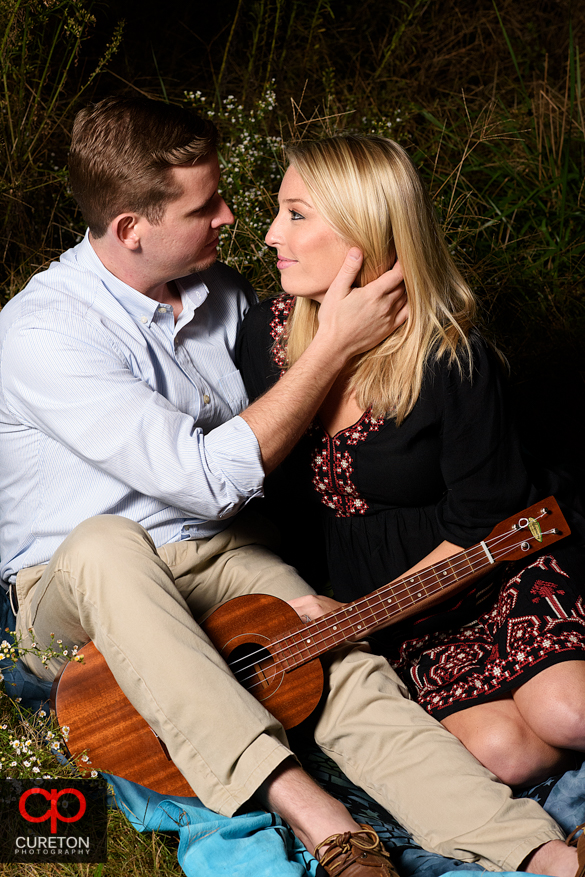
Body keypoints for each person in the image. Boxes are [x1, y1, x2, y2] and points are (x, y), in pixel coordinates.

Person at [0, 98, 576, 877]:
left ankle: (539, 851)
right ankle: (319, 816)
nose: (235, 219)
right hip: (73, 582)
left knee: (334, 654)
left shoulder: (227, 298)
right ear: (133, 228)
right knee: (107, 543)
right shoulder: (42, 332)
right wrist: (334, 345)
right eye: (207, 205)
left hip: (213, 557)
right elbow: (207, 481)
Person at [237, 132, 585, 874]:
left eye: (296, 214)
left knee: (568, 711)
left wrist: (357, 613)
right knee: (504, 751)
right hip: (378, 615)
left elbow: (480, 527)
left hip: (482, 571)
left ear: (364, 231)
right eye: (277, 212)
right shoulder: (261, 336)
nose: (271, 235)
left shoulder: (451, 353)